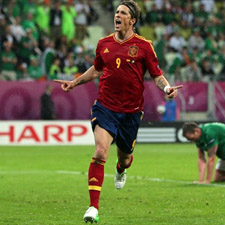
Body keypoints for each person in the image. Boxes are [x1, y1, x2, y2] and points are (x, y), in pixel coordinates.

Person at [54, 0, 182, 223]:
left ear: (132, 20)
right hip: (105, 107)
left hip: (131, 113)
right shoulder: (104, 43)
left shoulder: (144, 46)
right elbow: (96, 70)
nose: (117, 15)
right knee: (100, 152)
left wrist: (168, 88)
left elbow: (156, 75)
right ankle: (93, 207)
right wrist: (75, 82)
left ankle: (121, 169)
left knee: (124, 158)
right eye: (116, 12)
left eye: (123, 13)